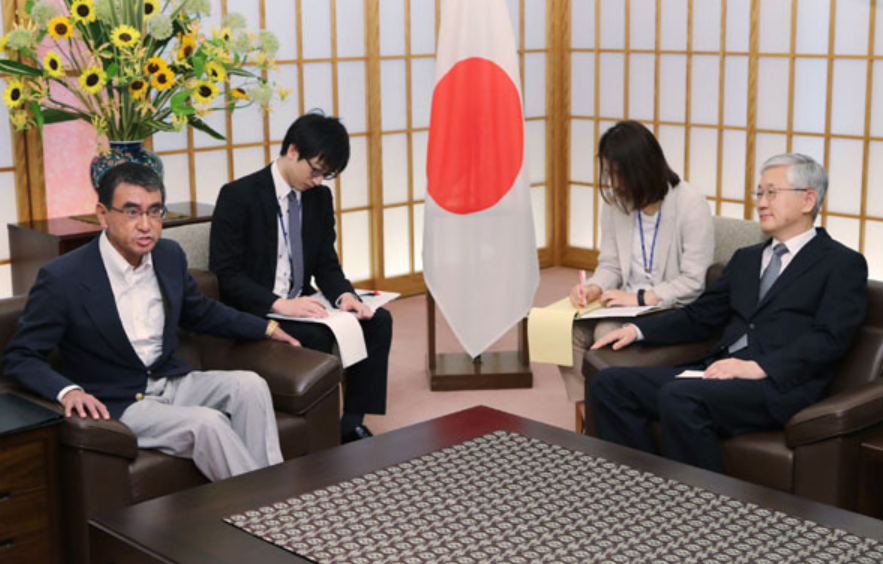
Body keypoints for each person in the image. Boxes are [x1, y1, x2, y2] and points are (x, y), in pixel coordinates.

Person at [1, 163, 301, 481]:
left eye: (155, 212)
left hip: (171, 380)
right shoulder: (63, 277)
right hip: (120, 399)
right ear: (103, 214)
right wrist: (68, 392)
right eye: (132, 212)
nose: (146, 225)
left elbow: (200, 311)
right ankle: (265, 504)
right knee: (207, 423)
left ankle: (276, 492)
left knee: (250, 386)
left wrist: (265, 327)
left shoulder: (169, 255)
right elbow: (21, 356)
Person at [589, 153, 869, 473]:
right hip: (715, 373)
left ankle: (704, 500)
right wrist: (638, 330)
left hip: (778, 386)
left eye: (771, 193)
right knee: (610, 384)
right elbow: (701, 316)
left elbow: (830, 339)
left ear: (808, 200)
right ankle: (642, 485)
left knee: (681, 397)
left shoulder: (841, 263)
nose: (761, 203)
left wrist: (756, 367)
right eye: (759, 193)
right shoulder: (746, 258)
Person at [210, 111, 392, 444]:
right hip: (259, 307)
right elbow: (226, 275)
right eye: (316, 170)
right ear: (293, 151)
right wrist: (279, 304)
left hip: (304, 301)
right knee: (316, 336)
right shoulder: (239, 195)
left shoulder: (319, 198)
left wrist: (346, 297)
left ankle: (350, 424)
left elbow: (326, 262)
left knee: (377, 321)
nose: (319, 181)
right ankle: (319, 431)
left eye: (328, 174)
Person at [558, 120, 714, 417]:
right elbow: (611, 265)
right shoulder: (616, 205)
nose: (615, 183)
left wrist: (641, 298)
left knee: (605, 333)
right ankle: (588, 412)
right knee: (566, 329)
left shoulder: (690, 204)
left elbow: (694, 281)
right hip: (622, 303)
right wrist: (595, 287)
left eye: (620, 174)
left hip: (668, 306)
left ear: (644, 168)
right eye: (610, 173)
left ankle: (605, 413)